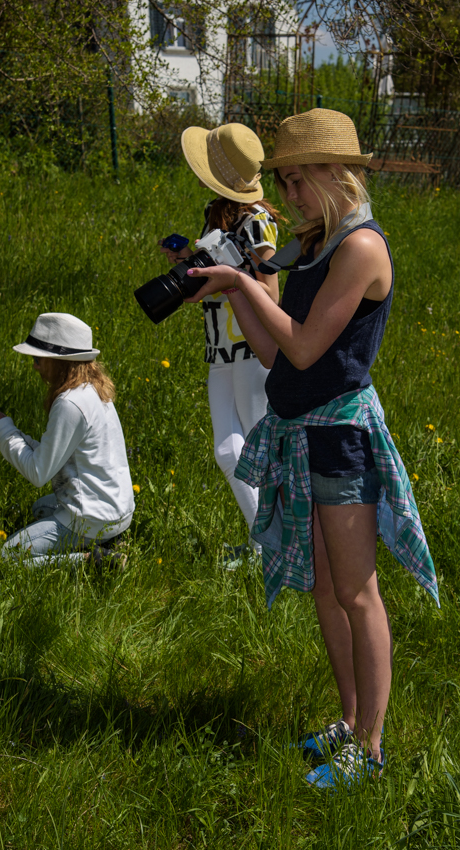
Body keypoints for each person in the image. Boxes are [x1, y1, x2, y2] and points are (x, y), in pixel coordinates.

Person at [184, 109, 439, 787]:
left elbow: (301, 345)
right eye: (286, 180)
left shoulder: (359, 248)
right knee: (326, 590)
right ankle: (350, 721)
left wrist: (242, 281)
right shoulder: (316, 241)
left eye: (296, 180)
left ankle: (372, 746)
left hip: (341, 437)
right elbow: (273, 354)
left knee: (357, 594)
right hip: (304, 432)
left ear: (334, 172)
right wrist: (230, 286)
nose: (288, 193)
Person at [159, 122, 283, 557]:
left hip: (252, 348)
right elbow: (206, 291)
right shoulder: (216, 214)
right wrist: (187, 268)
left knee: (256, 446)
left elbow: (271, 293)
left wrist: (233, 275)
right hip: (219, 350)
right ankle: (266, 542)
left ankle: (278, 547)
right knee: (226, 451)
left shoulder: (260, 222)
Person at [0, 312, 134, 564]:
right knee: (41, 508)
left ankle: (90, 560)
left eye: (39, 359)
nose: (34, 366)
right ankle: (108, 540)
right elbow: (57, 455)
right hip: (117, 510)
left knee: (3, 560)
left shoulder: (70, 403)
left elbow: (38, 472)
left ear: (60, 362)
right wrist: (11, 428)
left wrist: (3, 430)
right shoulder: (93, 389)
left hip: (91, 518)